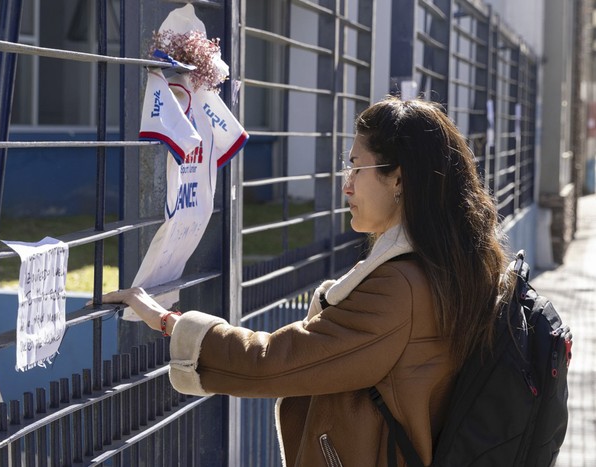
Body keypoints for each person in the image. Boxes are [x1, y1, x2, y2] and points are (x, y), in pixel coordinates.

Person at [100, 96, 512, 466]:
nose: (346, 183)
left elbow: (271, 363)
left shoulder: (399, 287)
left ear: (399, 179)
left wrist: (167, 321)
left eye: (355, 166)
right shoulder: (451, 266)